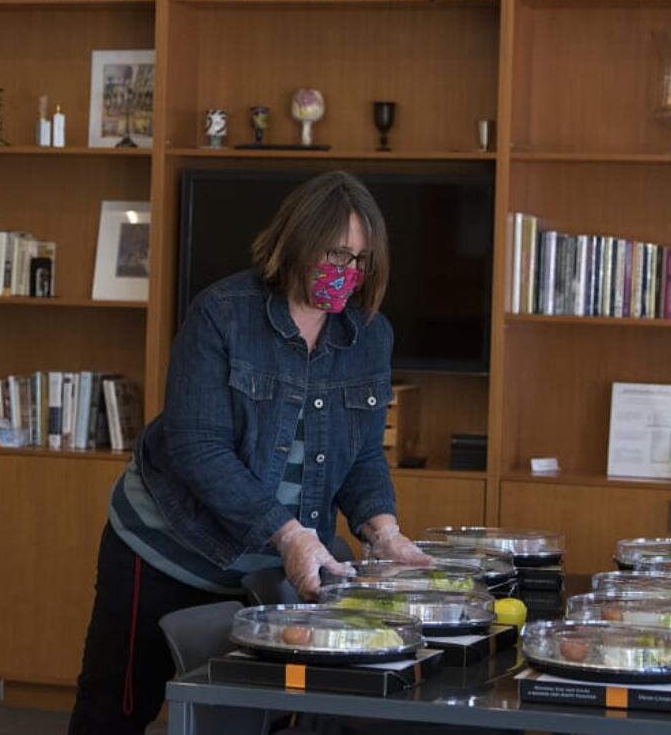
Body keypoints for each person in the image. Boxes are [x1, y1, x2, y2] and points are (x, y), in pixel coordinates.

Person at [68, 170, 432, 735]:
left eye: (360, 261)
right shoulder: (222, 313)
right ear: (297, 243)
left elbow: (361, 454)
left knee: (255, 721)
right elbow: (198, 447)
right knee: (112, 713)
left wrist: (384, 532)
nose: (347, 274)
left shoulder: (369, 335)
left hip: (277, 568)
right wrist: (289, 534)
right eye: (336, 254)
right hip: (168, 550)